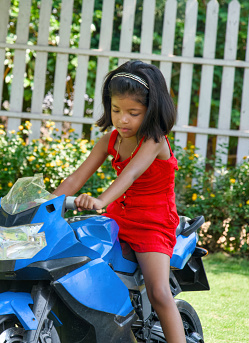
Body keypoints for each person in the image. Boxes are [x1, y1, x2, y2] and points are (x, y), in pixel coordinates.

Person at [53, 60, 185, 343]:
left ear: (151, 111)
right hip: (116, 218)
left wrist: (100, 200)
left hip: (153, 224)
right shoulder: (109, 141)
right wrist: (44, 203)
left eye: (133, 113)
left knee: (159, 292)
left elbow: (132, 172)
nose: (122, 119)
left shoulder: (154, 141)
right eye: (116, 110)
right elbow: (75, 180)